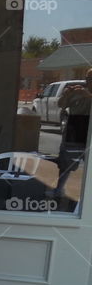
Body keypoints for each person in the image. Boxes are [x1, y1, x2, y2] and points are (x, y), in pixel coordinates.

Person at [55, 69, 92, 199]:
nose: (89, 82)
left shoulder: (86, 93)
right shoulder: (77, 92)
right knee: (65, 163)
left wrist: (88, 95)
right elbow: (61, 105)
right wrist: (66, 94)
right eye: (88, 79)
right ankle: (59, 190)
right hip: (74, 131)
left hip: (89, 133)